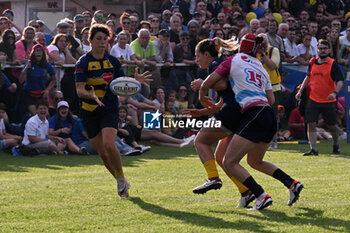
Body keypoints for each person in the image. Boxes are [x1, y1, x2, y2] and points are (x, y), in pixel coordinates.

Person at [201, 33, 303, 210]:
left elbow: (209, 83)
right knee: (255, 162)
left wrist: (202, 95)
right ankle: (292, 183)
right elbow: (271, 99)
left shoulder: (233, 60)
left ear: (241, 47)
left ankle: (261, 195)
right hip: (269, 114)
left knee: (229, 162)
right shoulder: (261, 67)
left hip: (254, 113)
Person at [75, 24, 152, 198]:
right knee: (102, 153)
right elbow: (79, 89)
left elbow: (121, 84)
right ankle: (121, 180)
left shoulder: (113, 62)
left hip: (109, 108)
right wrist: (91, 95)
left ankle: (120, 179)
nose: (102, 42)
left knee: (109, 144)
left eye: (105, 39)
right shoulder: (83, 62)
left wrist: (135, 81)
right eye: (98, 39)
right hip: (89, 111)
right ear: (91, 41)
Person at [185, 38, 256, 207]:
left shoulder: (215, 64)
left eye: (197, 56)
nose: (196, 60)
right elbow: (221, 102)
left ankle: (213, 178)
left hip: (233, 112)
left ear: (207, 55)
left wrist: (204, 84)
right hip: (238, 112)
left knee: (200, 141)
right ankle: (246, 191)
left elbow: (223, 84)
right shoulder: (221, 63)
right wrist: (202, 112)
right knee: (222, 158)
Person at [296, 39, 344, 155]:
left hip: (328, 100)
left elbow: (340, 81)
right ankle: (314, 149)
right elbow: (308, 77)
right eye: (320, 48)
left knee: (332, 125)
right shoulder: (312, 62)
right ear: (317, 49)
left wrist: (334, 93)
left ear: (328, 50)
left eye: (324, 48)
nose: (322, 51)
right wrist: (300, 91)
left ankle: (336, 143)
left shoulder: (333, 64)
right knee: (310, 123)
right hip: (313, 99)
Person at [19, 44, 56, 116]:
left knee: (46, 115)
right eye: (36, 51)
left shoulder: (46, 64)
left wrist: (47, 90)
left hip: (41, 93)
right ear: (33, 53)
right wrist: (26, 69)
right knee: (36, 114)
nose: (38, 53)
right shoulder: (29, 64)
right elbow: (20, 81)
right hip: (29, 93)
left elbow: (53, 79)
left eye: (40, 51)